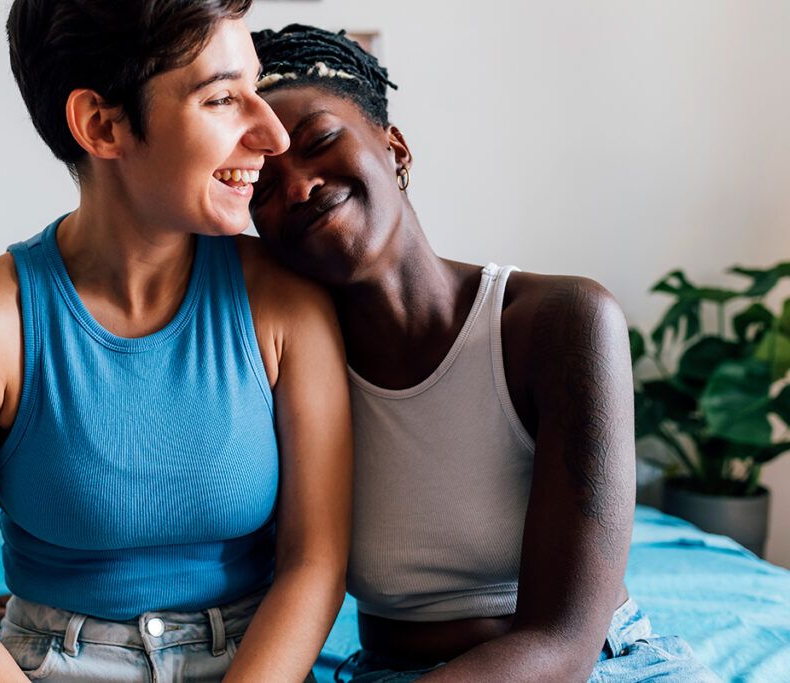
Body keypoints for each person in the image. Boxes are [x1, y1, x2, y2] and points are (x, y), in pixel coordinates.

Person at [0, 4, 352, 681]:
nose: (271, 132)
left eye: (258, 87)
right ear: (102, 125)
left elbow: (315, 563)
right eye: (222, 97)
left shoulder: (285, 299)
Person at [248, 24, 719, 683]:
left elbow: (563, 643)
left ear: (396, 150)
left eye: (320, 141)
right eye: (262, 188)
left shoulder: (562, 322)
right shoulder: (284, 368)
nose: (297, 186)